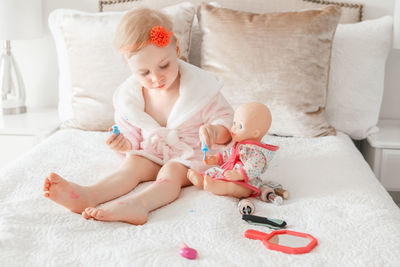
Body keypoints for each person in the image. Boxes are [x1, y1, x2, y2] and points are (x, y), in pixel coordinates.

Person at [42, 8, 234, 225]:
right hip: (153, 152)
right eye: (144, 73)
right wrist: (124, 145)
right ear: (132, 69)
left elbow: (227, 120)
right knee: (132, 165)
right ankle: (90, 195)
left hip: (190, 155)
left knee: (170, 173)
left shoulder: (201, 90)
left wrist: (215, 131)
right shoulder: (130, 99)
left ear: (177, 49)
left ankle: (139, 205)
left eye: (164, 65)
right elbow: (132, 137)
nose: (156, 77)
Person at [187, 102, 279, 198]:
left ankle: (218, 186)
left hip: (245, 180)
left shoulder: (258, 154)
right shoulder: (239, 144)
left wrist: (239, 174)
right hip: (230, 171)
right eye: (234, 123)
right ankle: (202, 180)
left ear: (255, 133)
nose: (233, 129)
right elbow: (229, 154)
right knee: (214, 171)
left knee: (234, 187)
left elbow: (253, 168)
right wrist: (216, 158)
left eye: (239, 126)